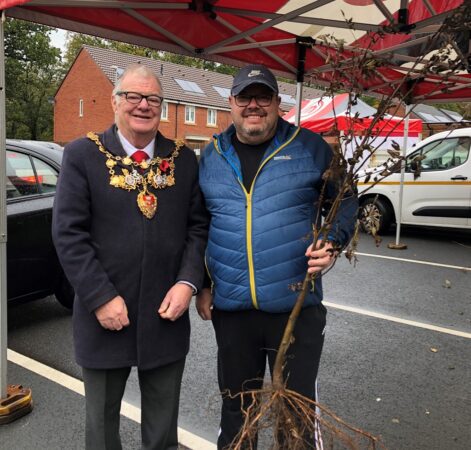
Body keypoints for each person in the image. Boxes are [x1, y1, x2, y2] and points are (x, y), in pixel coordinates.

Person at [197, 64, 358, 449]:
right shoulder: (210, 156)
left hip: (295, 306)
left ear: (278, 103)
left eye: (263, 96)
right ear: (231, 103)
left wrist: (332, 242)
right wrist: (202, 284)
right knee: (238, 411)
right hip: (233, 309)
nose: (254, 105)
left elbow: (346, 200)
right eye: (245, 97)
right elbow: (198, 225)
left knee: (297, 415)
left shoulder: (312, 148)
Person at [52, 64, 208, 450]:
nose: (143, 105)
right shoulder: (82, 155)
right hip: (103, 316)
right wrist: (100, 297)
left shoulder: (184, 160)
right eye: (133, 96)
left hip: (165, 314)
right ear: (115, 101)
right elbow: (68, 233)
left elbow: (198, 228)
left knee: (162, 432)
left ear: (162, 106)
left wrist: (189, 283)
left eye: (153, 99)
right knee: (102, 431)